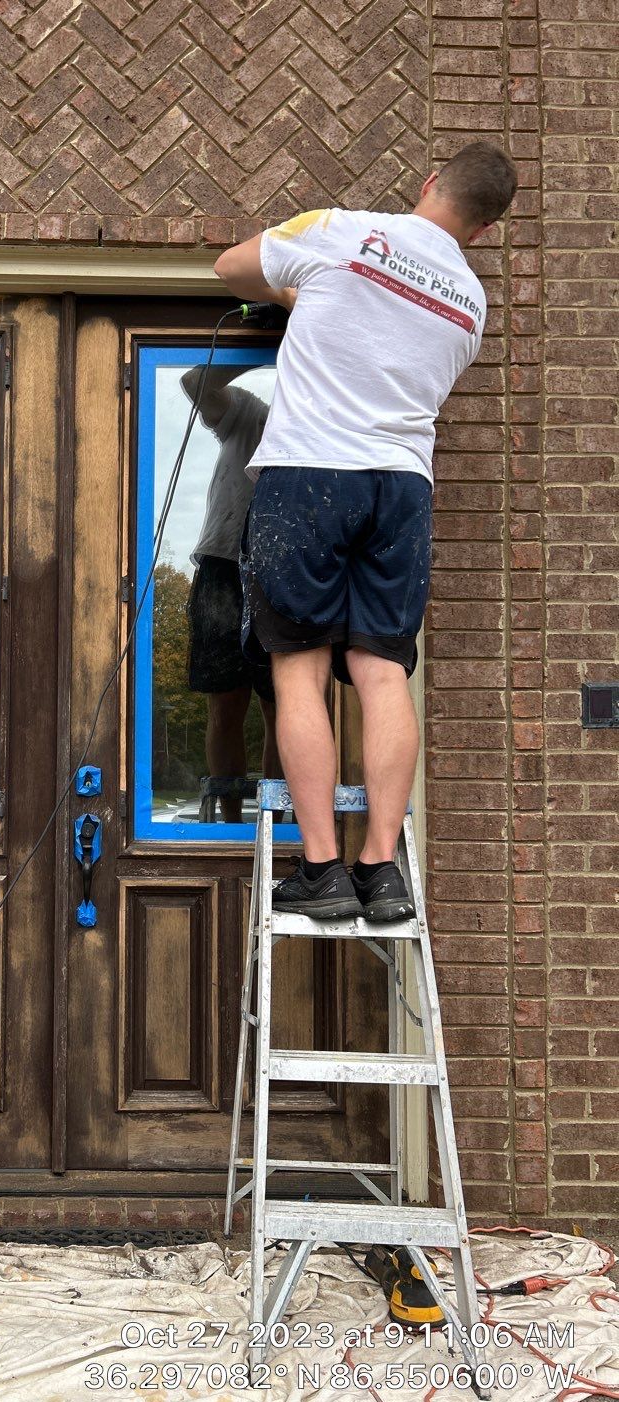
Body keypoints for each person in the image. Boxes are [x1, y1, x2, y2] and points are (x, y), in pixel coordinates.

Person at [213, 141, 518, 920]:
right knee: (383, 671)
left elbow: (231, 269)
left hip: (313, 471)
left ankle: (321, 868)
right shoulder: (472, 305)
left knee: (298, 668)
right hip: (404, 488)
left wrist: (299, 295)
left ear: (427, 184)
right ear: (480, 230)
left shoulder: (341, 230)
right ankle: (381, 867)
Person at [181, 364, 281, 823]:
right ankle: (229, 820)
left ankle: (277, 820)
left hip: (281, 570)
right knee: (225, 702)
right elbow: (194, 383)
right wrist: (261, 347)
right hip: (223, 565)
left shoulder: (321, 426)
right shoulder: (249, 414)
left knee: (283, 701)